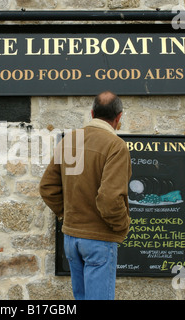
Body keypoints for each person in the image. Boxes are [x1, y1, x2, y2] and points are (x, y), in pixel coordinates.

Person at [39, 91, 132, 300]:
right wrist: (122, 225)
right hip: (98, 239)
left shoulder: (69, 141)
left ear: (92, 113)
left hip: (71, 239)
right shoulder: (115, 146)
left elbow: (47, 187)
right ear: (119, 117)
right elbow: (109, 199)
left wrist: (67, 214)